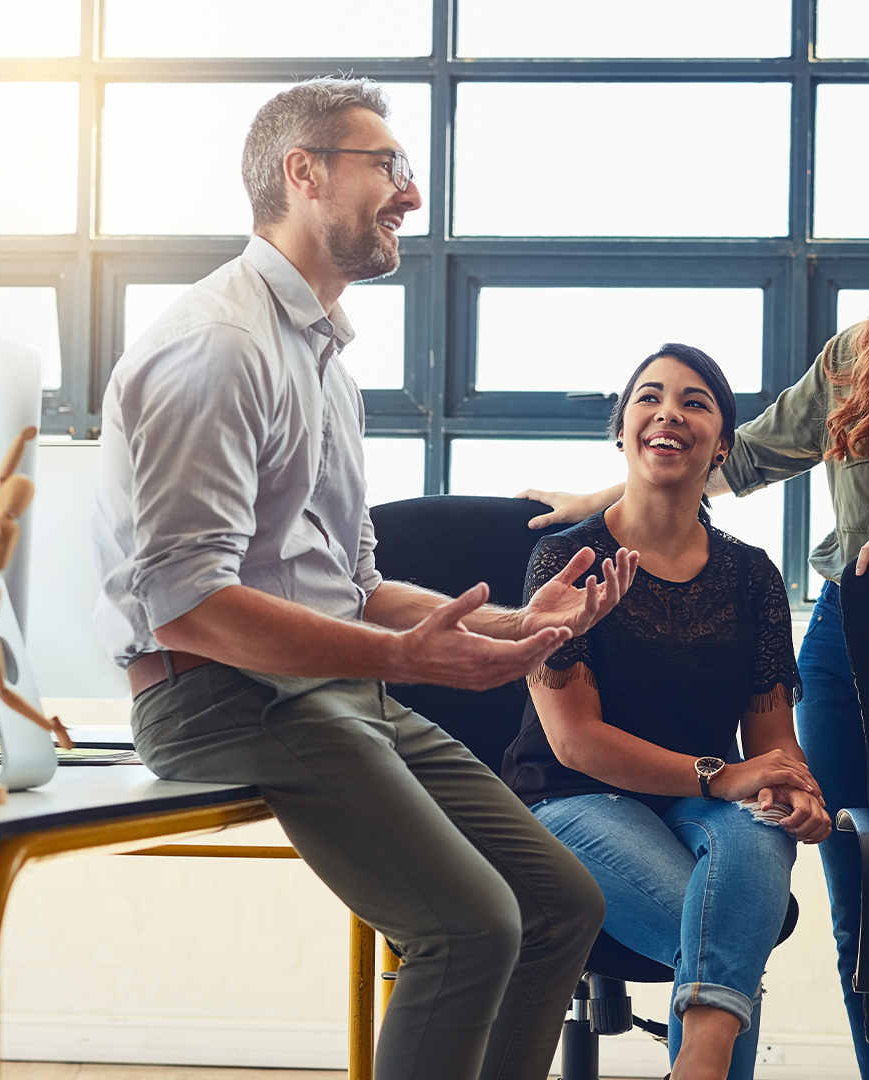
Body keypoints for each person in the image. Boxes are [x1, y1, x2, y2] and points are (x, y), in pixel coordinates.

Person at [91, 77, 640, 1080]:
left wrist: (516, 626)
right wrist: (398, 658)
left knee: (563, 905)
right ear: (303, 174)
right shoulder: (220, 348)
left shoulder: (325, 365)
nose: (410, 195)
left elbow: (354, 583)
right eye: (386, 166)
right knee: (470, 931)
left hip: (330, 690)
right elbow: (189, 605)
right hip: (214, 696)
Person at [522, 161, 869, 1080]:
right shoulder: (854, 356)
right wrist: (600, 495)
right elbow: (740, 456)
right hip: (851, 645)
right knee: (862, 888)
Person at [504, 343, 832, 1080]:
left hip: (698, 802)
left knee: (763, 827)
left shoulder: (752, 575)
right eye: (650, 397)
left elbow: (774, 743)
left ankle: (697, 1065)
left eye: (696, 402)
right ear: (622, 428)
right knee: (731, 926)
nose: (670, 413)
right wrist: (728, 778)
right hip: (572, 797)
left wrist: (792, 789)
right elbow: (575, 741)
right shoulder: (566, 560)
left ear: (722, 444)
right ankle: (706, 1064)